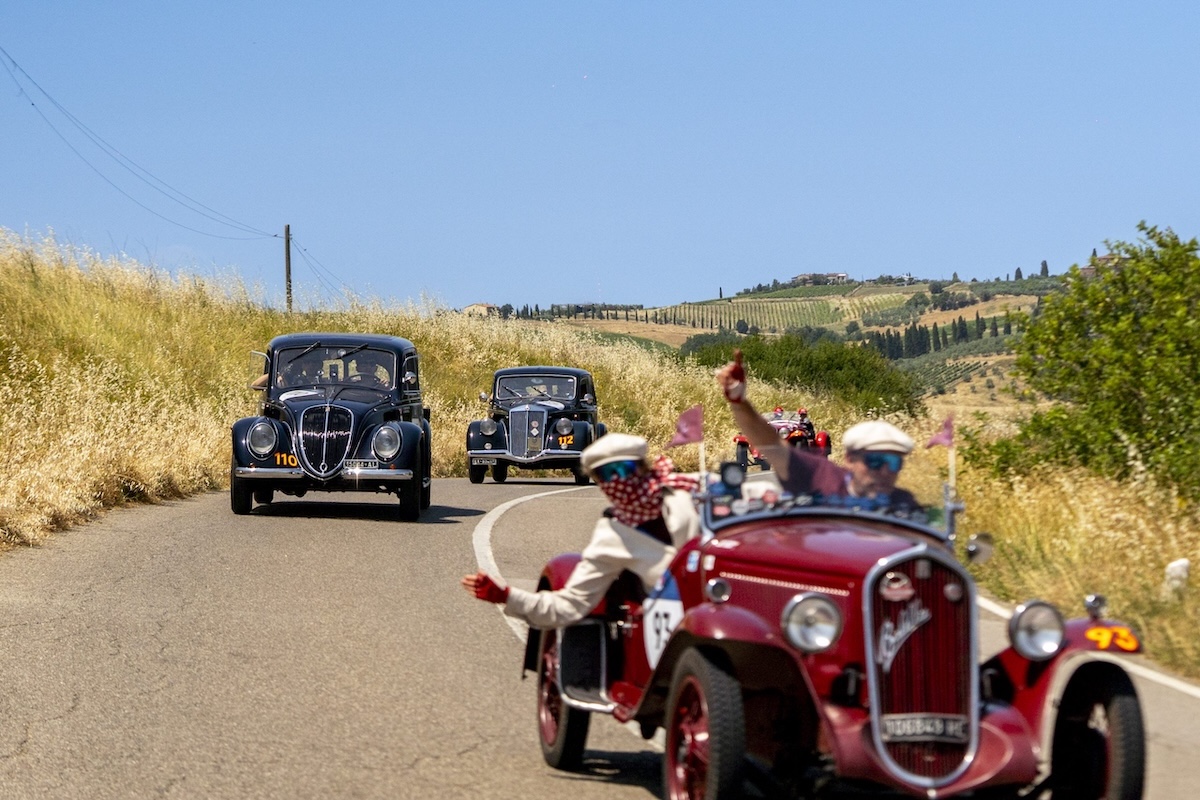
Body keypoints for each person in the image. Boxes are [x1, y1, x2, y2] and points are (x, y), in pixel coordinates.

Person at [461, 433, 701, 628]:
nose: (618, 480)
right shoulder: (611, 537)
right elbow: (570, 605)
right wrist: (507, 596)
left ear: (642, 467)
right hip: (673, 615)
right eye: (606, 474)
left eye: (625, 468)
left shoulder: (692, 489)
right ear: (600, 483)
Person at [715, 351, 920, 512]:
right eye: (874, 462)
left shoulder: (904, 503)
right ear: (849, 459)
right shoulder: (821, 476)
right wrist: (738, 401)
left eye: (895, 463)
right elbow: (771, 444)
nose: (885, 472)